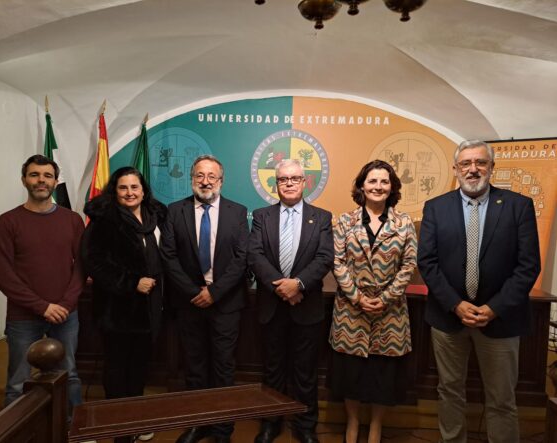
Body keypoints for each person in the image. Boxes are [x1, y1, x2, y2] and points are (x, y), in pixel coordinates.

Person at [418, 140, 541, 443]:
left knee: (501, 398)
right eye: (466, 164)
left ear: (491, 167)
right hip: (448, 319)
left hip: (500, 321)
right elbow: (427, 262)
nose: (473, 169)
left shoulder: (518, 206)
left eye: (480, 163)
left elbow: (528, 266)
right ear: (455, 169)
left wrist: (494, 308)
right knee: (449, 392)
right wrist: (455, 304)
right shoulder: (436, 207)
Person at [160, 155, 249, 443]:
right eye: (200, 175)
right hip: (189, 303)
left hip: (226, 303)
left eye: (212, 176)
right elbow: (169, 257)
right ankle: (198, 423)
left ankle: (223, 428)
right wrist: (193, 292)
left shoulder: (238, 212)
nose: (206, 181)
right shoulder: (175, 211)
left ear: (221, 181)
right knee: (194, 366)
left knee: (223, 367)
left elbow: (241, 258)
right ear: (191, 178)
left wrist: (215, 291)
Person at [328, 160, 417, 443]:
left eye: (384, 182)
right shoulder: (345, 221)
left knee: (382, 377)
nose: (378, 187)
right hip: (351, 312)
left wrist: (386, 298)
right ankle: (352, 424)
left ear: (392, 187)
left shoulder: (404, 223)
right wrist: (357, 298)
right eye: (372, 181)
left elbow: (409, 265)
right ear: (361, 186)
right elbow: (338, 262)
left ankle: (376, 427)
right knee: (351, 376)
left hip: (389, 314)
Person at [0, 154, 85, 418]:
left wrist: (65, 305)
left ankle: (74, 431)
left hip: (66, 316)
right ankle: (15, 435)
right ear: (24, 180)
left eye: (47, 175)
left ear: (55, 181)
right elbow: (2, 274)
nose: (41, 180)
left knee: (70, 375)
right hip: (23, 317)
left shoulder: (72, 220)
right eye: (34, 175)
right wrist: (43, 306)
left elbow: (81, 268)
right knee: (18, 382)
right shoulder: (8, 221)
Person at [248, 159, 334, 443]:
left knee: (305, 372)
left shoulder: (321, 217)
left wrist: (298, 285)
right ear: (275, 183)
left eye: (294, 178)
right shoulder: (262, 216)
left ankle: (305, 426)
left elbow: (324, 258)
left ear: (304, 182)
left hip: (305, 305)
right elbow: (255, 255)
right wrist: (281, 288)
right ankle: (270, 423)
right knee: (272, 370)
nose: (288, 183)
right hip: (272, 306)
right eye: (283, 179)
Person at [82, 166, 167, 443]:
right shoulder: (104, 220)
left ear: (143, 190)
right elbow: (94, 261)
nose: (130, 193)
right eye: (123, 188)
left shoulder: (156, 216)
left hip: (150, 309)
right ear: (114, 191)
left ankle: (134, 420)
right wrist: (131, 282)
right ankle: (119, 426)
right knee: (117, 369)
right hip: (117, 311)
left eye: (134, 187)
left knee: (139, 368)